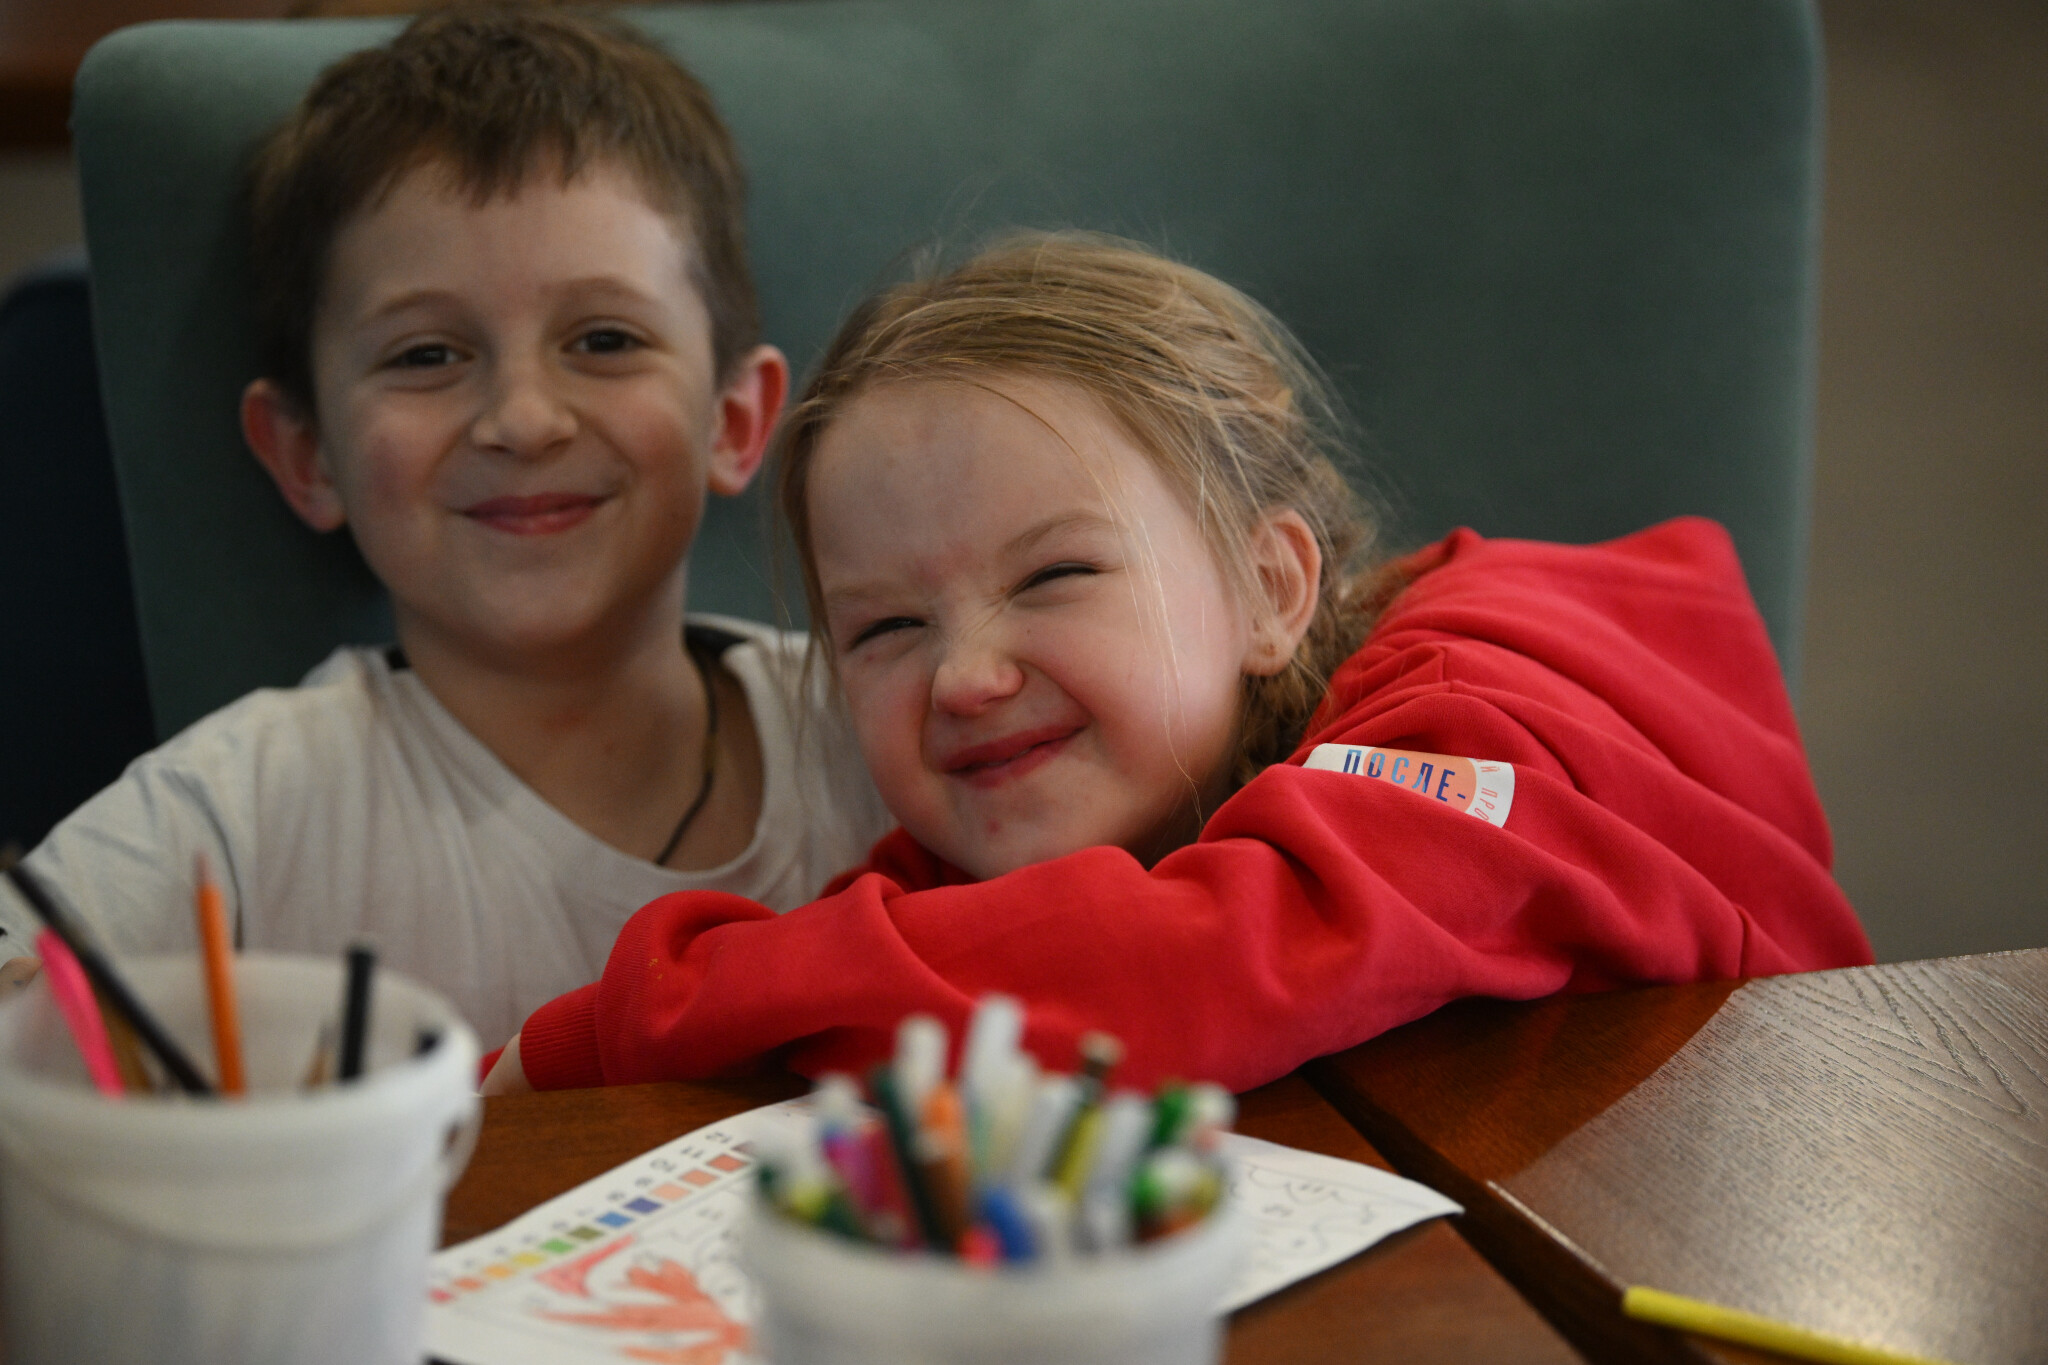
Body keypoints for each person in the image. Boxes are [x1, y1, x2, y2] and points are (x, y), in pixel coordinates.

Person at [485, 232, 1874, 1095]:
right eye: (886, 629)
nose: (965, 677)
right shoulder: (1106, 795)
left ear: (1270, 591)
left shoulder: (1470, 733)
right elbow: (935, 940)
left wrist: (624, 1027)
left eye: (1054, 577)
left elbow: (1187, 967)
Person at [0, 6, 889, 1048]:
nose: (523, 419)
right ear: (307, 455)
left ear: (733, 421)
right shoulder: (240, 814)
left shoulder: (881, 733)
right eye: (426, 355)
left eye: (604, 339)